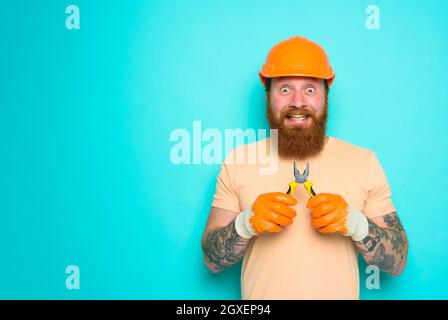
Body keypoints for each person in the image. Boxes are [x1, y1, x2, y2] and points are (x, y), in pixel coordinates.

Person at [201, 36, 408, 299]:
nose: (298, 102)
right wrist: (244, 224)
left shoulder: (364, 162)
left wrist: (357, 224)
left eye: (310, 89)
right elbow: (212, 261)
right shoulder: (238, 161)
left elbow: (397, 263)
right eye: (285, 89)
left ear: (325, 95)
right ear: (269, 95)